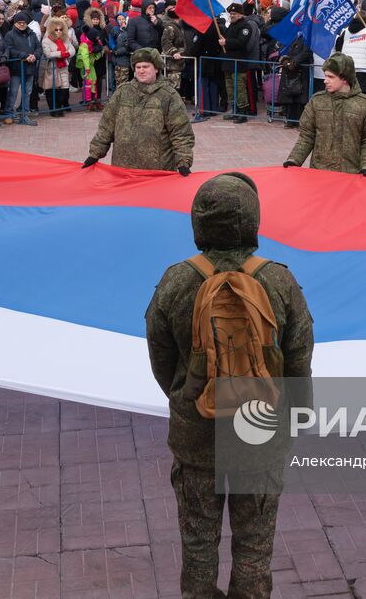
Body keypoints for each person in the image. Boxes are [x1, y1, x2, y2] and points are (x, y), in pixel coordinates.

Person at [145, 173, 314, 599]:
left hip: (197, 435)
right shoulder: (279, 281)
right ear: (253, 221)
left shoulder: (177, 281)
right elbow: (298, 361)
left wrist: (188, 398)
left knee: (199, 546)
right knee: (254, 548)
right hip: (260, 435)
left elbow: (163, 365)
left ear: (198, 223)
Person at [85, 48, 193, 173]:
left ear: (156, 68)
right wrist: (95, 153)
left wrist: (183, 161)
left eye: (145, 67)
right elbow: (106, 126)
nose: (141, 70)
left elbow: (181, 132)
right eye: (138, 67)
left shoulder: (169, 96)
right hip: (123, 169)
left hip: (157, 171)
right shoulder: (122, 92)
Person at [283, 52, 366, 175]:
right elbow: (307, 136)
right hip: (320, 173)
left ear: (344, 78)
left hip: (351, 174)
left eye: (331, 77)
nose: (325, 81)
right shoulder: (317, 101)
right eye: (325, 76)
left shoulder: (364, 104)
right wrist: (294, 160)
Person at [3, 11, 41, 127]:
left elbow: (39, 47)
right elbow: (10, 50)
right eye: (19, 23)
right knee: (13, 92)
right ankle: (8, 113)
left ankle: (24, 113)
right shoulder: (10, 35)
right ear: (15, 23)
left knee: (28, 92)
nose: (21, 24)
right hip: (16, 68)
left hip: (29, 67)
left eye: (23, 22)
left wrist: (35, 55)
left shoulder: (32, 34)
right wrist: (25, 56)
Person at [39, 16, 73, 115]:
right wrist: (61, 53)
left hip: (63, 66)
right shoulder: (46, 40)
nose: (58, 31)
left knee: (64, 88)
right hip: (51, 67)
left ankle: (60, 107)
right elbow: (48, 54)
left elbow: (72, 50)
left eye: (61, 29)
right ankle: (54, 109)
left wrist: (65, 53)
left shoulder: (65, 39)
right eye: (56, 29)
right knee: (52, 88)